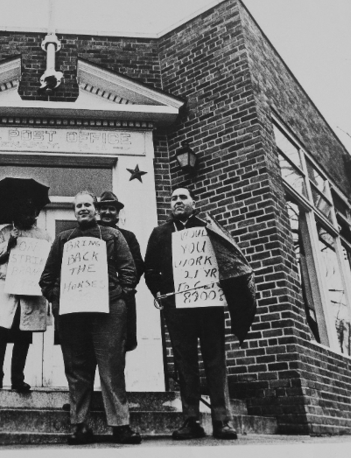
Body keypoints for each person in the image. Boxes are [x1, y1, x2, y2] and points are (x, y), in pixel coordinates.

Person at [144, 187, 256, 441]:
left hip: (209, 306)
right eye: (174, 198)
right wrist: (160, 292)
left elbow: (229, 260)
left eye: (183, 197)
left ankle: (221, 421)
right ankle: (190, 419)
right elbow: (149, 269)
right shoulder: (160, 233)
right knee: (185, 364)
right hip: (177, 308)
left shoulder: (209, 228)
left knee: (216, 361)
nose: (178, 201)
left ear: (194, 202)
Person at [39, 190, 142, 445]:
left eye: (87, 204)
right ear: (74, 211)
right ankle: (79, 425)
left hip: (108, 311)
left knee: (112, 367)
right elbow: (46, 279)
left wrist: (118, 295)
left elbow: (129, 271)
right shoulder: (63, 239)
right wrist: (59, 298)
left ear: (95, 209)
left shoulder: (112, 235)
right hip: (73, 314)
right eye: (78, 206)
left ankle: (120, 425)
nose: (83, 208)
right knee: (77, 369)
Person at [0, 197, 50, 392]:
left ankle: (17, 378)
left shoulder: (43, 236)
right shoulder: (6, 232)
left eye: (32, 212)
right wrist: (10, 243)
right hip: (7, 292)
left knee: (24, 336)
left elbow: (49, 261)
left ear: (36, 214)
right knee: (0, 334)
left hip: (29, 293)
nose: (28, 215)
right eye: (24, 211)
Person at [96, 191, 144, 352]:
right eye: (103, 208)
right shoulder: (88, 234)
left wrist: (123, 290)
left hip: (120, 298)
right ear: (98, 211)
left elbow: (137, 266)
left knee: (119, 346)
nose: (107, 212)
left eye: (112, 209)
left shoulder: (128, 237)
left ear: (117, 213)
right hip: (93, 297)